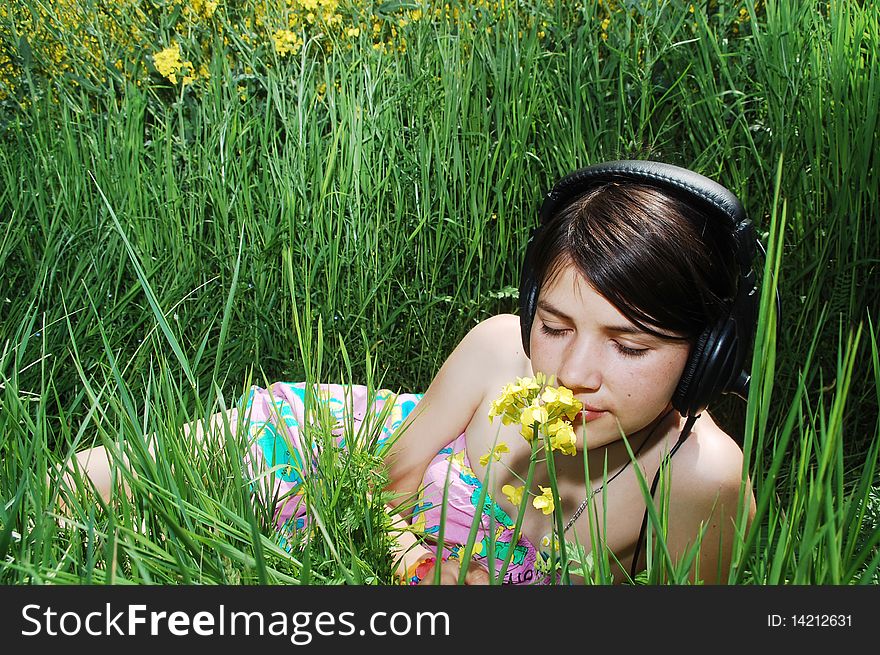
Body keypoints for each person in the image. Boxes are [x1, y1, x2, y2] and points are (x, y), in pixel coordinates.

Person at [61, 159, 759, 585]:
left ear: (708, 353)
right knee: (74, 484)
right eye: (552, 326)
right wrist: (415, 564)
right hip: (329, 441)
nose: (572, 372)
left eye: (629, 346)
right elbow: (383, 482)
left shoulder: (696, 478)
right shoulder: (495, 349)